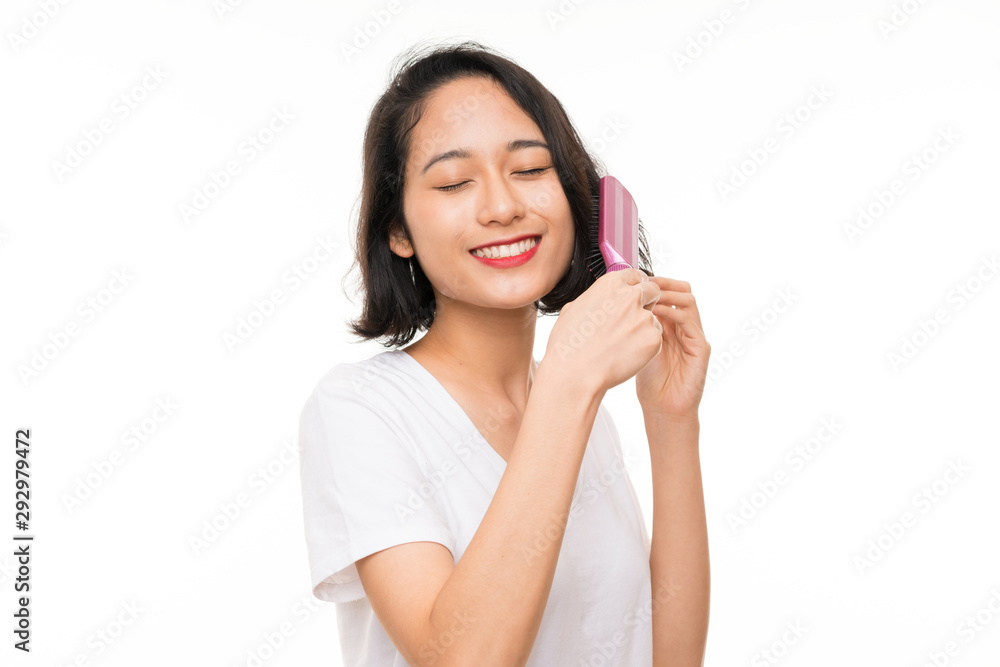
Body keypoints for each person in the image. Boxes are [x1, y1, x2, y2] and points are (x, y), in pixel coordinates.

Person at [298, 40, 711, 666]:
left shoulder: (583, 410)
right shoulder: (360, 408)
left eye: (529, 170)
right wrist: (569, 386)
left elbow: (668, 660)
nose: (503, 207)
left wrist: (672, 421)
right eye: (455, 181)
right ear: (399, 231)